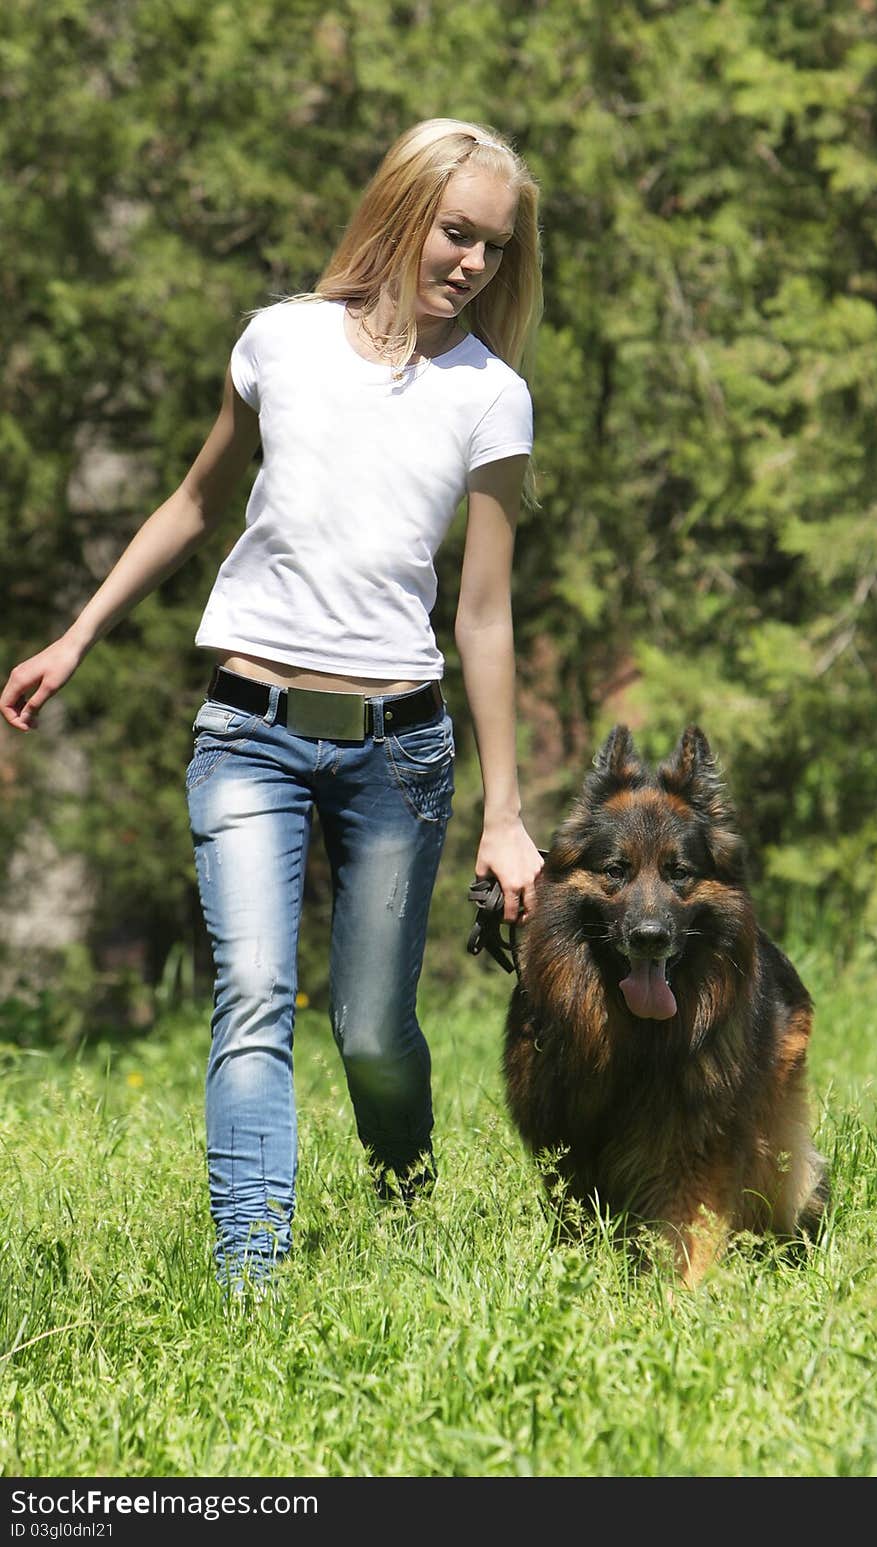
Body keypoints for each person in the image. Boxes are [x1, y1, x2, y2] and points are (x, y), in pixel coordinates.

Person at [1, 117, 545, 1291]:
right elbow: (195, 501)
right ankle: (253, 1279)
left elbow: (485, 613)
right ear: (403, 208)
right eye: (458, 232)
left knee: (369, 1029)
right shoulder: (280, 343)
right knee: (250, 994)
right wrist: (79, 632)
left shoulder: (490, 398)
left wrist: (506, 814)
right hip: (246, 729)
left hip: (399, 753)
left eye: (494, 248)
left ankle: (402, 1182)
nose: (472, 264)